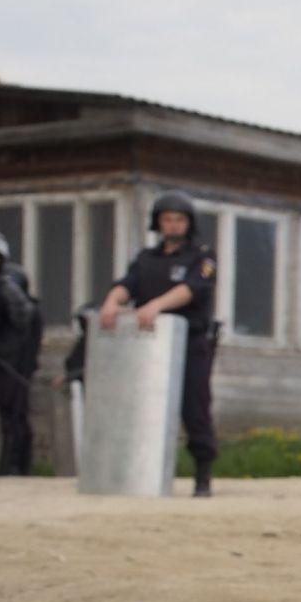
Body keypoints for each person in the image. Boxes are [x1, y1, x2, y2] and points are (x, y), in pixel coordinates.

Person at [98, 193, 223, 497]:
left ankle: (202, 475)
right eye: (167, 219)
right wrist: (111, 303)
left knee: (194, 407)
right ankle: (134, 472)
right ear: (158, 222)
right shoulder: (146, 259)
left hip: (190, 342)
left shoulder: (202, 257)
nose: (173, 225)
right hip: (147, 345)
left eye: (179, 219)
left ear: (189, 224)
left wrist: (156, 306)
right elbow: (126, 284)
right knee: (139, 406)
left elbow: (192, 289)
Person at [0, 230, 39, 475]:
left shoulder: (8, 290)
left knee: (14, 418)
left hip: (8, 365)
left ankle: (13, 471)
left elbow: (22, 330)